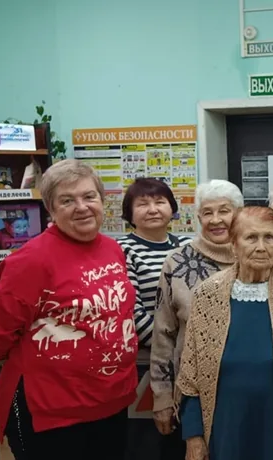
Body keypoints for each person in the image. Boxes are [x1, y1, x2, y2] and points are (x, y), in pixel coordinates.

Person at [0, 160, 138, 460]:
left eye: (89, 196)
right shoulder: (31, 261)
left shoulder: (112, 249)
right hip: (52, 412)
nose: (82, 207)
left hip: (111, 401)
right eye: (67, 200)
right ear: (50, 208)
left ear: (102, 201)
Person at [176, 206, 273, 460]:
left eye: (269, 237)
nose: (261, 247)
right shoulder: (209, 294)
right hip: (224, 429)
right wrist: (193, 436)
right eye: (251, 238)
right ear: (234, 245)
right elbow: (191, 375)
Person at [148, 180, 243, 453]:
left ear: (239, 214)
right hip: (192, 396)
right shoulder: (177, 262)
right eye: (207, 212)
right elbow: (163, 333)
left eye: (224, 211)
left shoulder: (257, 257)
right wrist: (162, 396)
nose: (216, 220)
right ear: (198, 217)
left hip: (248, 392)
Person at [116, 178, 191, 460]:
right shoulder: (123, 250)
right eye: (143, 204)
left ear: (172, 208)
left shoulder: (187, 245)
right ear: (129, 212)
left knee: (182, 443)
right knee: (147, 444)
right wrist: (168, 349)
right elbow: (130, 310)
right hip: (145, 364)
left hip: (188, 362)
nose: (153, 209)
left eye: (160, 202)